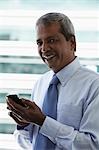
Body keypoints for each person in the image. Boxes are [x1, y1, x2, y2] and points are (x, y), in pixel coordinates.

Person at [7, 12, 99, 150]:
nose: (44, 49)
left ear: (72, 43)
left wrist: (43, 121)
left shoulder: (94, 85)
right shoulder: (41, 83)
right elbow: (31, 144)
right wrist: (24, 124)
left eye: (51, 40)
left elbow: (92, 145)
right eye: (39, 42)